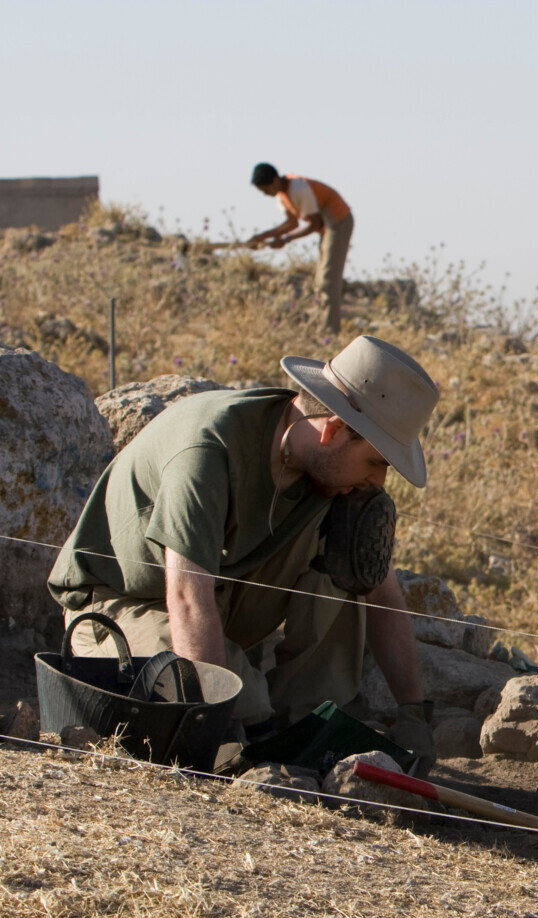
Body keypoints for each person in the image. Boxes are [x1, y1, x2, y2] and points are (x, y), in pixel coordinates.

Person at [48, 335, 440, 767]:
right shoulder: (207, 450)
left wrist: (413, 712)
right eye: (377, 462)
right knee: (233, 703)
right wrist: (217, 725)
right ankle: (259, 729)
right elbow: (187, 599)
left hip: (219, 602)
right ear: (332, 430)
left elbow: (379, 589)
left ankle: (304, 725)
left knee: (351, 557)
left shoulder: (328, 473)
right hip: (123, 606)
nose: (379, 482)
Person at [247, 162, 354, 333]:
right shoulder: (283, 195)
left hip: (337, 221)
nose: (266, 195)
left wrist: (286, 239)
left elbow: (314, 223)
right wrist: (262, 237)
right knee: (320, 282)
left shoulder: (297, 188)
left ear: (275, 181)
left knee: (328, 279)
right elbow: (291, 223)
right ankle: (323, 326)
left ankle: (330, 332)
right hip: (326, 226)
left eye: (266, 190)